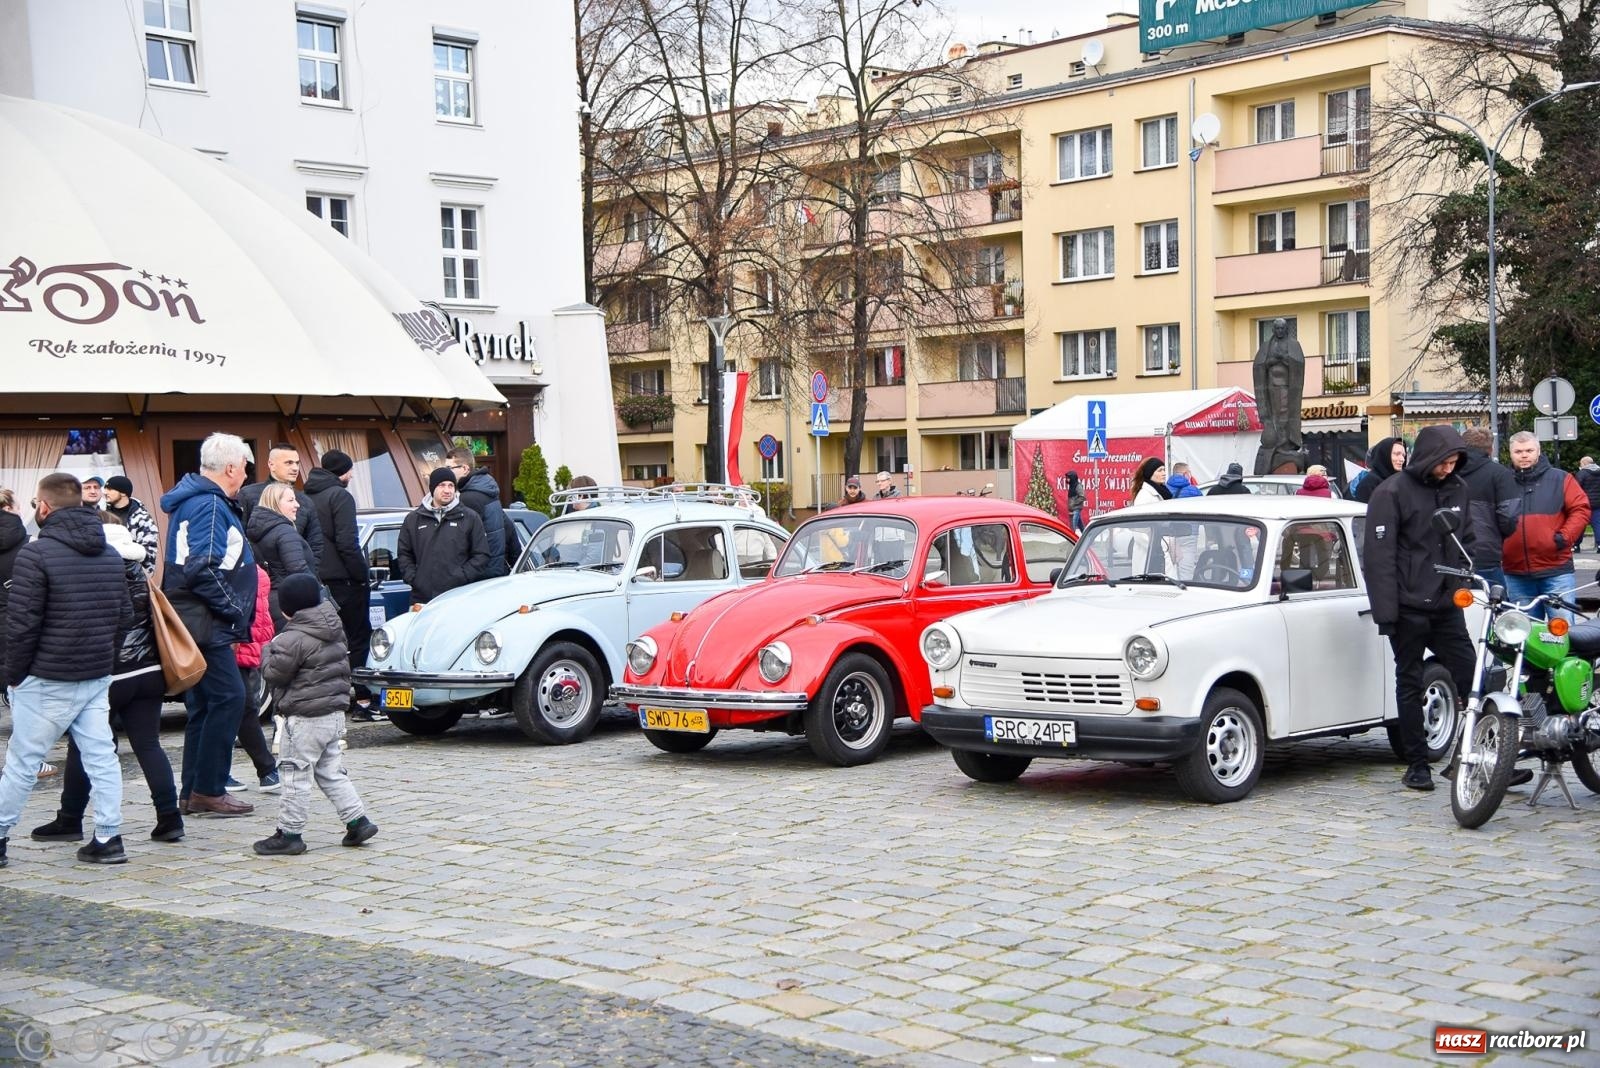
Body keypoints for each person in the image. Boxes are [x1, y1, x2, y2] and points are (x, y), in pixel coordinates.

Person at [0, 473, 133, 867]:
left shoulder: (36, 555)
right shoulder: (110, 554)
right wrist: (105, 658)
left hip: (46, 675)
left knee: (23, 762)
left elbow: (23, 624)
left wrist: (14, 674)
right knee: (102, 757)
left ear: (44, 507)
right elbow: (124, 617)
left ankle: (1, 835)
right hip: (94, 673)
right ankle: (109, 837)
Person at [31, 513, 183, 846]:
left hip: (108, 672)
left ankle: (70, 818)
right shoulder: (139, 569)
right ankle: (169, 818)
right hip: (149, 670)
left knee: (84, 746)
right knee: (148, 744)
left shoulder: (95, 566)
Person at [1360, 425, 1478, 792]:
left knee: (1475, 678)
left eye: (1455, 462)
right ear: (1428, 457)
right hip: (1408, 605)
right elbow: (1379, 557)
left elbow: (1467, 541)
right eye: (1444, 462)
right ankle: (1417, 763)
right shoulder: (1391, 491)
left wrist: (1461, 585)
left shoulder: (1458, 488)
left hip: (1446, 605)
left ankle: (1485, 753)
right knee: (1409, 682)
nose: (1448, 468)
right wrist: (1387, 613)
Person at [161, 432, 259, 819]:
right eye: (245, 467)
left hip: (198, 619)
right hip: (206, 621)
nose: (247, 475)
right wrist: (234, 609)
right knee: (229, 698)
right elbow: (202, 568)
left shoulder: (197, 500)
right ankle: (208, 788)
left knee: (203, 704)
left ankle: (195, 791)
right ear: (232, 468)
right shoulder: (211, 505)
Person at [252, 573, 377, 856]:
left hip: (304, 718)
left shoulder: (290, 638)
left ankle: (290, 833)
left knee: (294, 773)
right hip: (332, 714)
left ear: (287, 609)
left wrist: (266, 651)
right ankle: (358, 820)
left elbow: (275, 674)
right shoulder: (332, 628)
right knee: (331, 771)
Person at [305, 450, 375, 717]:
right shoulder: (340, 496)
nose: (352, 475)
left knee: (324, 642)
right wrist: (362, 574)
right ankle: (364, 700)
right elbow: (348, 543)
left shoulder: (307, 496)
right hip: (345, 581)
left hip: (315, 579)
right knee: (357, 639)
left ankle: (327, 698)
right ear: (342, 472)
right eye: (350, 470)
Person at [1502, 431, 1591, 622]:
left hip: (1555, 570)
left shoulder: (1561, 478)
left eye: (1529, 450)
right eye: (1518, 451)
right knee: (1524, 638)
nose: (1524, 455)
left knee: (1562, 634)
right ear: (1511, 453)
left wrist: (1564, 537)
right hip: (1515, 572)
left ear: (1538, 451)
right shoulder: (1502, 482)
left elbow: (1581, 509)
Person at [396, 468, 490, 604]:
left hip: (458, 597)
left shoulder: (469, 517)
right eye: (442, 485)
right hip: (422, 598)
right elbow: (404, 553)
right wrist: (415, 579)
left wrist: (462, 577)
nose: (447, 490)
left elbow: (482, 555)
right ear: (432, 488)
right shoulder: (414, 519)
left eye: (451, 485)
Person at [230, 566, 281, 793]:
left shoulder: (241, 565)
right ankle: (266, 770)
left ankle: (266, 770)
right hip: (239, 646)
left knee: (243, 709)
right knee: (242, 709)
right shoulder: (243, 566)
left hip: (244, 646)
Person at [239, 443, 325, 567]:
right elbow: (240, 539)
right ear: (271, 464)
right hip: (259, 577)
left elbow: (315, 544)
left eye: (297, 463)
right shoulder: (248, 495)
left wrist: (309, 574)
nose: (295, 468)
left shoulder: (304, 501)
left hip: (297, 576)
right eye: (289, 463)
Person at [1456, 426, 1521, 590]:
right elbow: (1509, 516)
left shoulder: (1449, 471)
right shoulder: (1499, 474)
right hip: (1486, 552)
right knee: (1491, 607)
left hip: (1452, 552)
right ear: (1490, 449)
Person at [247, 482, 316, 627]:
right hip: (291, 605)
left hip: (267, 602)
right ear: (275, 503)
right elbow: (299, 571)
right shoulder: (285, 532)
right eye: (291, 500)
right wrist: (318, 596)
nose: (297, 505)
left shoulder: (258, 531)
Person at [447, 447, 510, 579]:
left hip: (480, 576)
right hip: (495, 571)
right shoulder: (487, 492)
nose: (446, 474)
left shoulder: (468, 498)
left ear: (464, 469)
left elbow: (460, 544)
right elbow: (509, 529)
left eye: (449, 469)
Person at [102, 476, 158, 573]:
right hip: (105, 573)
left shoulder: (142, 518)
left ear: (123, 493)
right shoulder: (102, 515)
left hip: (132, 577)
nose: (105, 492)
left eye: (110, 489)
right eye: (105, 488)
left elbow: (149, 553)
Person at [1353, 437, 1406, 504]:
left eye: (1403, 455)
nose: (1402, 459)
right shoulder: (1369, 483)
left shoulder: (1401, 481)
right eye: (1397, 454)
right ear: (1384, 455)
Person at [1574, 455, 1600, 552]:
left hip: (1584, 504)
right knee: (1598, 524)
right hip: (1598, 504)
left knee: (1580, 525)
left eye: (1581, 464)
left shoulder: (1582, 474)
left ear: (1584, 464)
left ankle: (1576, 546)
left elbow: (1576, 488)